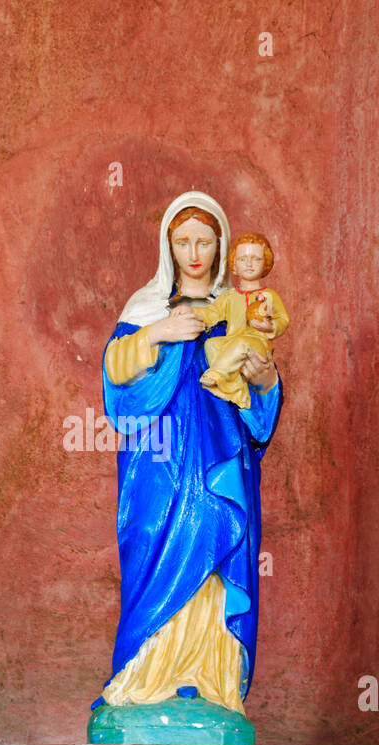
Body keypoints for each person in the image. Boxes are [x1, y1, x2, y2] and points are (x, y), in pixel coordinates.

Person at [94, 191, 283, 718]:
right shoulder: (145, 307)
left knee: (216, 540)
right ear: (168, 247)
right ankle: (145, 677)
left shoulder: (238, 308)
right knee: (155, 545)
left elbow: (262, 401)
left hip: (221, 457)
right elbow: (115, 376)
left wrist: (264, 377)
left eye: (204, 241)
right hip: (157, 461)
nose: (194, 253)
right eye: (183, 242)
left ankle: (211, 681)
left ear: (220, 246)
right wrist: (161, 332)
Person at [195, 232, 289, 409]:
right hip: (233, 342)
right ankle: (237, 389)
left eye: (256, 259)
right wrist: (192, 312)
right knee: (211, 345)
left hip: (257, 346)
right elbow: (212, 312)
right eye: (243, 259)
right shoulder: (230, 297)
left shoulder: (269, 296)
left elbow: (283, 319)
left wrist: (270, 326)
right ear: (234, 265)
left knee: (241, 343)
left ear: (265, 264)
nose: (249, 264)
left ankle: (217, 376)